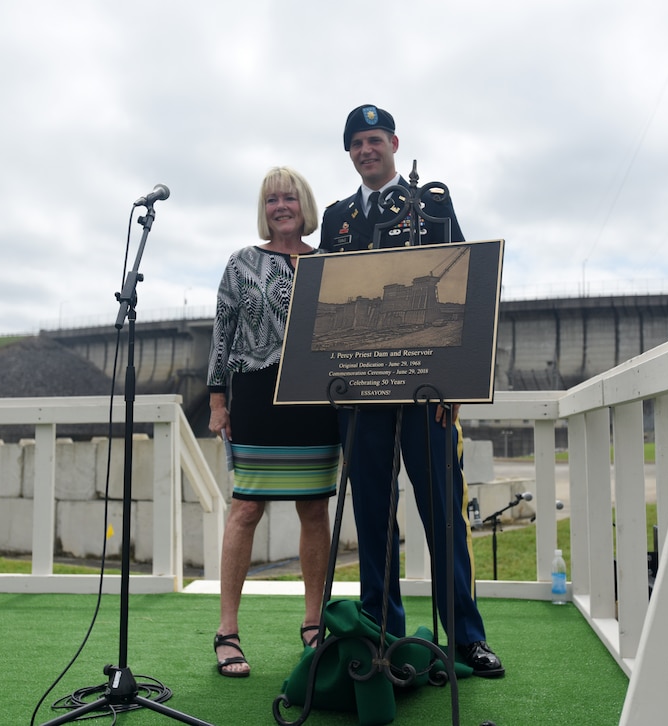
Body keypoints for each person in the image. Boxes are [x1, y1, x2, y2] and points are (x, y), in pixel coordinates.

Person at [319, 105, 504, 677]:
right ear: (349, 153)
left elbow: (469, 285)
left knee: (442, 512)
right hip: (363, 392)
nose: (366, 150)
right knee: (373, 514)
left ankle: (467, 636)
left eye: (374, 139)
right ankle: (382, 632)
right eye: (356, 143)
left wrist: (457, 385)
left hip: (427, 389)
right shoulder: (336, 217)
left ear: (394, 142)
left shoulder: (433, 204)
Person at [208, 166, 340, 678]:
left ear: (304, 204)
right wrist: (218, 401)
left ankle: (312, 621)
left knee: (314, 509)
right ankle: (227, 631)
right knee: (245, 510)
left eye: (288, 198)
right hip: (258, 395)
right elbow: (222, 334)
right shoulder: (241, 263)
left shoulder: (331, 263)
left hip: (316, 397)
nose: (280, 207)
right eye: (270, 201)